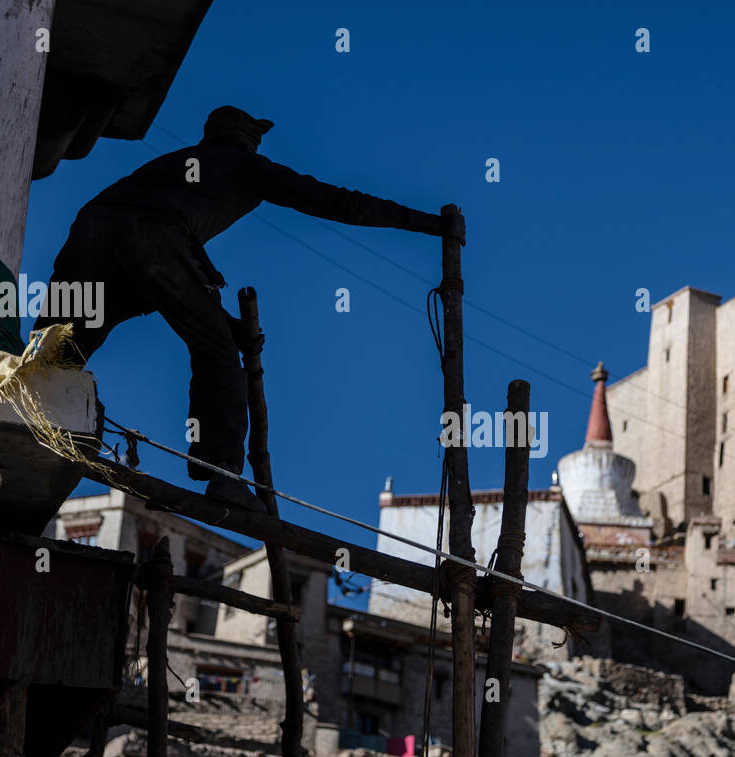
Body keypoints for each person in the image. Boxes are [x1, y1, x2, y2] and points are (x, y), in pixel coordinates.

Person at [35, 105, 462, 511]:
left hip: (90, 229)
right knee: (216, 353)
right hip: (153, 235)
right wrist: (428, 224)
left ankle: (21, 410)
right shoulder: (245, 167)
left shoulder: (174, 166)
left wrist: (226, 322)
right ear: (247, 142)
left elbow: (167, 282)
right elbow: (339, 202)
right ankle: (223, 474)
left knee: (54, 353)